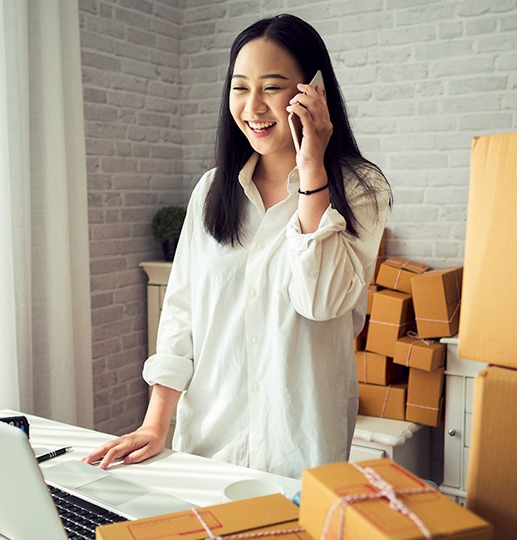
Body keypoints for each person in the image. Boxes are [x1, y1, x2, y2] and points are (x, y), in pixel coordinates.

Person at [84, 14, 391, 479]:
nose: (253, 107)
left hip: (300, 447)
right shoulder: (211, 190)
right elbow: (182, 311)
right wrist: (155, 424)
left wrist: (312, 171)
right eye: (240, 87)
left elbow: (322, 300)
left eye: (272, 87)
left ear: (314, 91)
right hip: (207, 442)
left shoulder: (360, 188)